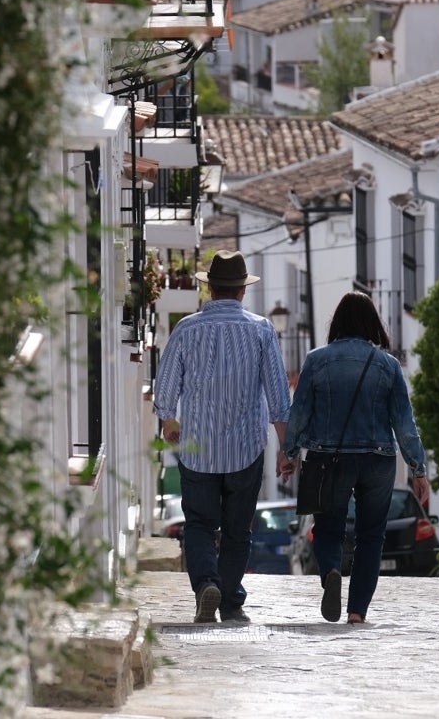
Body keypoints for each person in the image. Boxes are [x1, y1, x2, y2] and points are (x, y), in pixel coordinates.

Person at [153, 250, 290, 624]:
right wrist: (285, 448)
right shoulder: (261, 329)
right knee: (237, 529)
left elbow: (165, 390)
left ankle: (205, 587)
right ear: (242, 291)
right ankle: (230, 599)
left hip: (197, 449)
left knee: (198, 524)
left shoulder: (186, 330)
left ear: (209, 289)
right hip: (245, 449)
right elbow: (278, 394)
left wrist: (169, 424)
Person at [279, 291, 430, 625]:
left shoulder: (317, 360)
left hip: (328, 457)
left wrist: (289, 453)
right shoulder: (388, 366)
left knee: (329, 527)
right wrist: (418, 469)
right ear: (372, 324)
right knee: (371, 536)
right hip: (378, 459)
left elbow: (299, 412)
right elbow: (404, 424)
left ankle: (332, 569)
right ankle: (357, 611)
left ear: (338, 323)